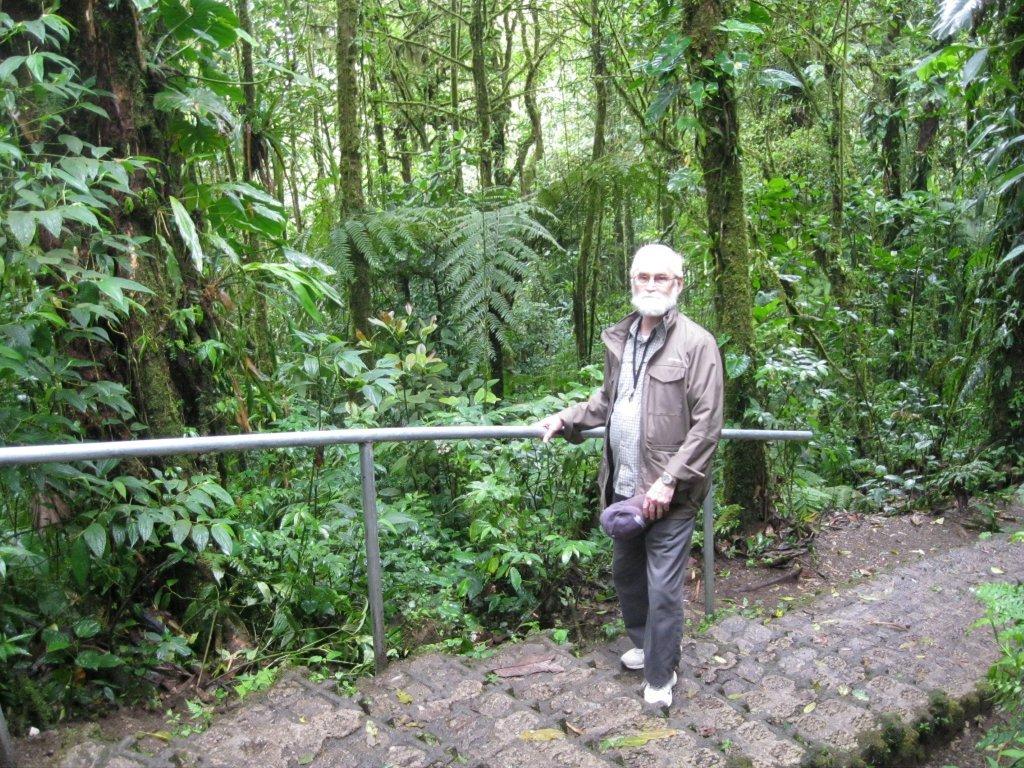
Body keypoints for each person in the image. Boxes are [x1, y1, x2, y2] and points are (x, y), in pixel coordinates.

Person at [536, 243, 723, 707]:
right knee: (627, 577)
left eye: (662, 277)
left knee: (663, 588)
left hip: (670, 493)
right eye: (644, 276)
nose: (652, 285)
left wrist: (670, 480)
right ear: (632, 280)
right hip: (624, 487)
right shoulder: (621, 338)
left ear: (678, 284)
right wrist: (566, 419)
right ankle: (645, 643)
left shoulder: (697, 344)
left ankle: (661, 675)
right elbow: (608, 400)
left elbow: (707, 425)